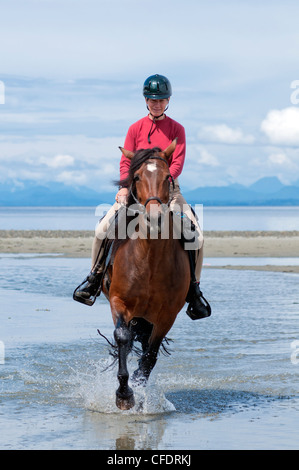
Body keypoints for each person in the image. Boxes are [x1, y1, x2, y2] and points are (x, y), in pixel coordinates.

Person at [74, 74, 211, 320]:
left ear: (168, 101)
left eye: (161, 100)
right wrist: (125, 187)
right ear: (146, 101)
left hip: (169, 189)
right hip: (137, 190)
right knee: (103, 228)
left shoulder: (177, 129)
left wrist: (165, 183)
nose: (156, 104)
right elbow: (126, 161)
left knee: (197, 237)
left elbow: (177, 163)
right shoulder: (135, 128)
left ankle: (194, 289)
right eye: (152, 100)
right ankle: (94, 278)